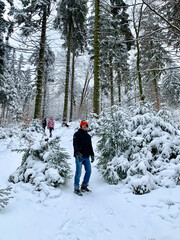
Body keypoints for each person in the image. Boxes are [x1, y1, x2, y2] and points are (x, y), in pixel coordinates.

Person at [73, 120, 94, 196]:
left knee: (89, 171)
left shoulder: (88, 136)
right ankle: (76, 188)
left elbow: (90, 146)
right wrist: (77, 153)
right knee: (78, 172)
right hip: (79, 156)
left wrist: (92, 154)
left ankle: (84, 186)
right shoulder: (77, 134)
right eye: (83, 125)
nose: (85, 126)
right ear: (81, 126)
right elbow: (75, 145)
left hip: (86, 156)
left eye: (86, 125)